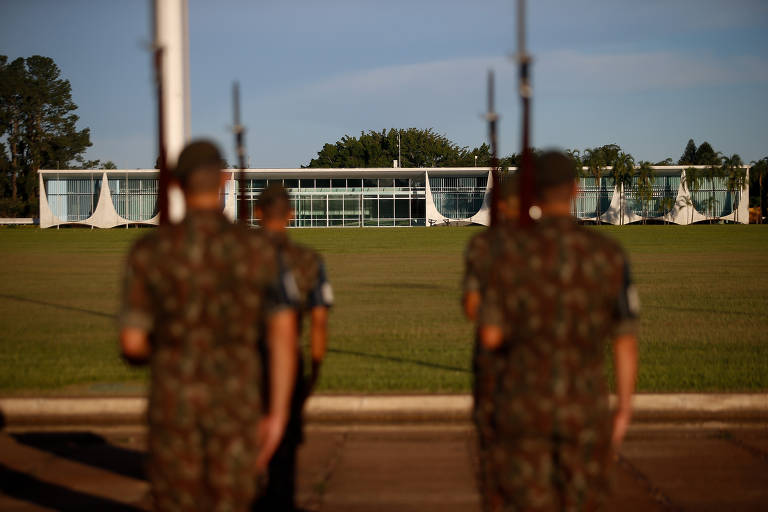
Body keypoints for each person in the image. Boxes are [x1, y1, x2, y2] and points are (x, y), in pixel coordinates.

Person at [119, 140, 298, 512]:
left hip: (173, 407)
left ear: (176, 183)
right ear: (223, 179)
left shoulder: (149, 251)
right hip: (237, 408)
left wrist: (173, 350)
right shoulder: (261, 250)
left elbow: (132, 344)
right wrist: (278, 413)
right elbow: (283, 335)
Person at [475, 151, 639, 511]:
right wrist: (623, 410)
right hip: (584, 410)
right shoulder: (608, 254)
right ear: (575, 190)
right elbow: (624, 340)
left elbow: (489, 335)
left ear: (533, 195)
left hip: (523, 410)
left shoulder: (509, 254)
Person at [252, 183, 334, 512]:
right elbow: (318, 320)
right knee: (284, 456)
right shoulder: (307, 260)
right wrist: (314, 368)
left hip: (241, 365)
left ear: (257, 213)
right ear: (291, 214)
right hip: (287, 363)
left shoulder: (236, 257)